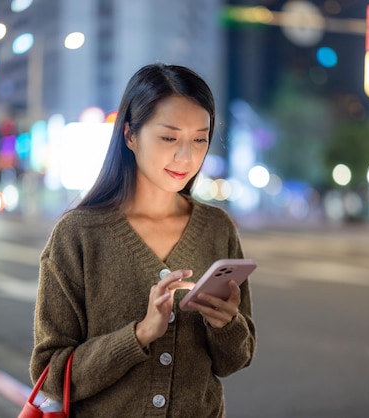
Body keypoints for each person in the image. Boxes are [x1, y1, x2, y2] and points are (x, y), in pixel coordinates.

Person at [29, 63, 256, 417]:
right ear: (130, 135)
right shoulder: (79, 234)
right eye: (169, 138)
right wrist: (139, 335)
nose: (187, 156)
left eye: (200, 138)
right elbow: (51, 376)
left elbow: (235, 360)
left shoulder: (217, 227)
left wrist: (227, 325)